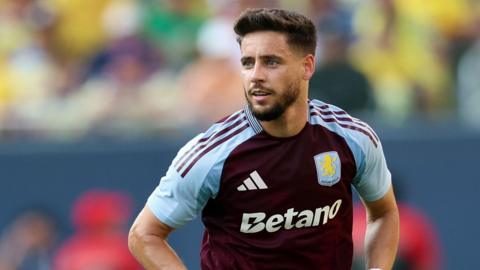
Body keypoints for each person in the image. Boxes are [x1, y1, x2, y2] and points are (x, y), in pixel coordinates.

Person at [129, 8, 399, 270]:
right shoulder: (212, 153)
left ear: (307, 66)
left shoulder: (352, 138)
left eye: (271, 62)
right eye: (248, 63)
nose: (256, 75)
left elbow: (384, 212)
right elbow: (144, 234)